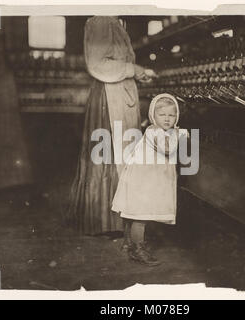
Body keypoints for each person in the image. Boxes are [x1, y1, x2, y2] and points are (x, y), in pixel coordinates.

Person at [67, 16, 156, 241]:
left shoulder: (113, 20)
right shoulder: (102, 21)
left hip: (118, 93)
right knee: (111, 155)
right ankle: (106, 221)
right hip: (109, 98)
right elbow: (97, 65)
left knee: (118, 154)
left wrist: (138, 73)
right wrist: (134, 69)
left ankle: (116, 219)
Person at [112, 93, 187, 266]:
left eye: (172, 115)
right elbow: (168, 149)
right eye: (162, 115)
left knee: (135, 212)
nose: (167, 119)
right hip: (144, 180)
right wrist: (180, 135)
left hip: (146, 177)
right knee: (141, 215)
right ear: (153, 116)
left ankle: (128, 242)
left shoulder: (163, 130)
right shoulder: (154, 131)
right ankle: (138, 250)